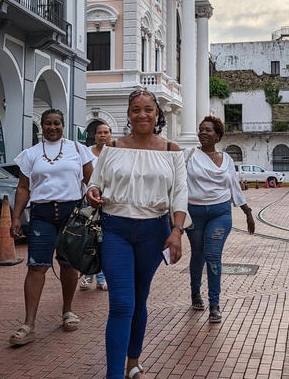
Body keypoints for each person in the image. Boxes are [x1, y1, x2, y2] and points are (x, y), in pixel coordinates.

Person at [86, 89, 189, 379]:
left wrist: (177, 231)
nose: (142, 114)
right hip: (115, 228)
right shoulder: (113, 147)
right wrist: (93, 192)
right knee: (121, 303)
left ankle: (133, 360)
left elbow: (180, 194)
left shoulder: (172, 151)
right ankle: (114, 374)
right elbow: (95, 184)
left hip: (154, 231)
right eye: (135, 109)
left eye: (148, 109)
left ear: (157, 113)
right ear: (128, 114)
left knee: (139, 299)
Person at [8, 109, 95, 346]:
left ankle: (68, 311)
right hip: (41, 216)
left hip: (72, 215)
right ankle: (29, 323)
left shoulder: (78, 150)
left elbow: (92, 181)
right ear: (42, 127)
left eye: (56, 123)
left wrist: (100, 205)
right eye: (47, 123)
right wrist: (16, 217)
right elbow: (23, 187)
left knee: (68, 264)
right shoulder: (31, 154)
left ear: (63, 125)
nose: (52, 127)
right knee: (36, 267)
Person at [185, 116, 255, 324]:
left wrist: (247, 211)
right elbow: (177, 183)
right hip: (194, 212)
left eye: (207, 130)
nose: (203, 133)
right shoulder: (188, 155)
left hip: (220, 213)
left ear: (217, 135)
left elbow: (233, 186)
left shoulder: (227, 159)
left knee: (213, 256)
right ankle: (195, 292)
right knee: (197, 253)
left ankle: (214, 303)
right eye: (200, 130)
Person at [79, 123, 112, 291]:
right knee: (88, 240)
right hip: (89, 205)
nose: (102, 135)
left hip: (108, 205)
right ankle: (87, 274)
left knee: (103, 241)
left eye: (106, 132)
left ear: (110, 135)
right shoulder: (87, 152)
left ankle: (100, 277)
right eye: (99, 132)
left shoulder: (115, 152)